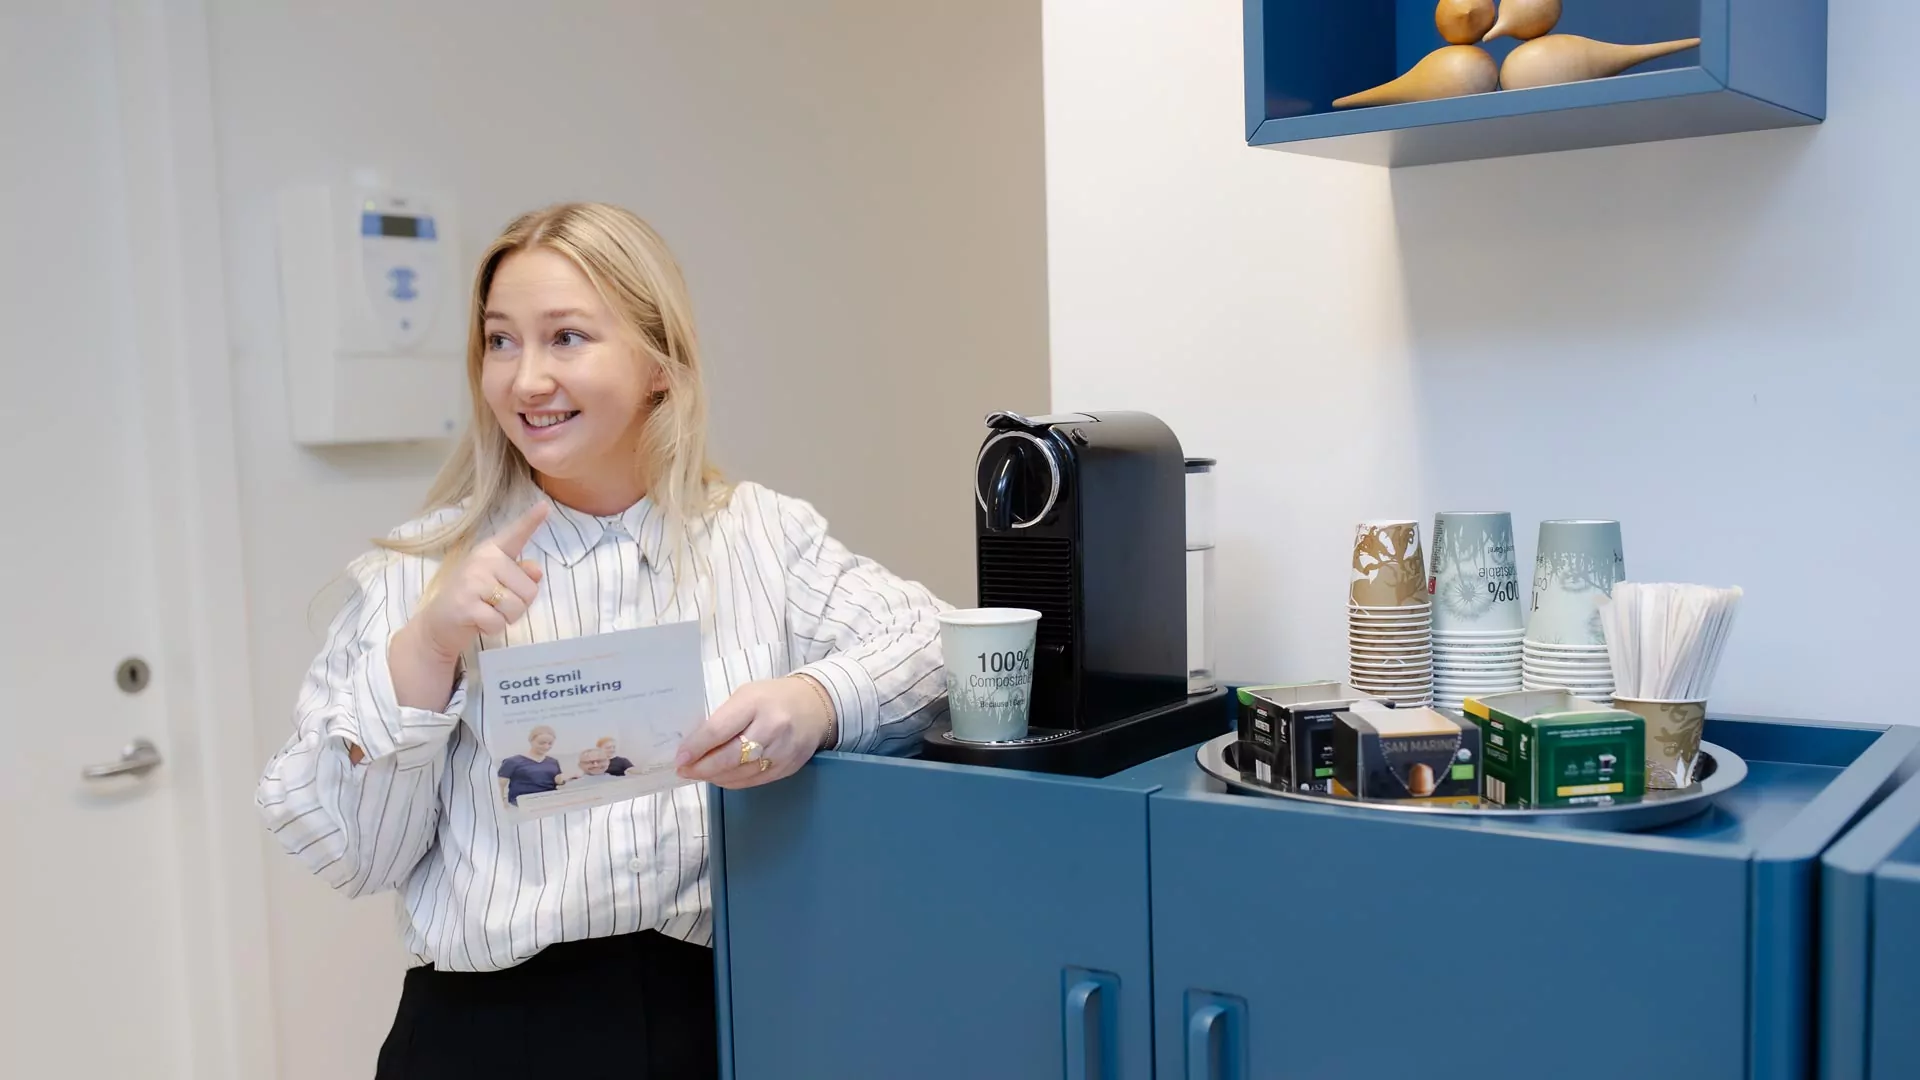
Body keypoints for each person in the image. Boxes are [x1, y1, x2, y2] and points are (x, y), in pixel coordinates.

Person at [255, 202, 950, 1080]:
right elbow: (350, 855)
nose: (526, 379)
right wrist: (429, 650)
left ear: (659, 364)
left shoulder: (763, 539)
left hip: (727, 1020)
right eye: (500, 342)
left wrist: (814, 701)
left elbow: (942, 648)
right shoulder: (420, 576)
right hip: (491, 1043)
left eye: (567, 338)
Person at [495, 724, 563, 805]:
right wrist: (501, 805)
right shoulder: (512, 761)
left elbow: (558, 782)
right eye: (542, 743)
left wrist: (568, 779)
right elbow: (499, 786)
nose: (546, 747)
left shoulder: (553, 762)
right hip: (522, 805)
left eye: (550, 743)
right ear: (531, 741)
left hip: (550, 802)